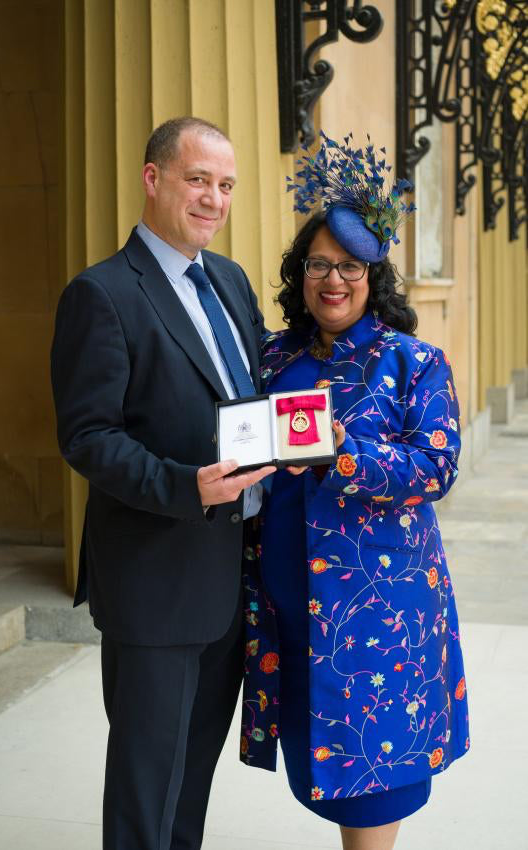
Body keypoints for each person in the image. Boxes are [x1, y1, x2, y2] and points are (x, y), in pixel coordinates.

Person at [51, 116, 275, 850]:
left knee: (191, 783)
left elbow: (253, 392)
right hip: (154, 581)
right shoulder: (103, 293)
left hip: (228, 577)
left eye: (226, 185)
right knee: (147, 789)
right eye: (198, 180)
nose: (214, 198)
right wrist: (188, 487)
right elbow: (88, 437)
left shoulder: (233, 282)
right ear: (154, 180)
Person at [241, 133, 470, 850]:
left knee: (373, 787)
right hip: (288, 608)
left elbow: (435, 468)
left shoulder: (412, 363)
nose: (331, 281)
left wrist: (347, 452)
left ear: (375, 275)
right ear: (299, 272)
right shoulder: (273, 356)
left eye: (348, 267)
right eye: (318, 265)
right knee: (318, 773)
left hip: (377, 618)